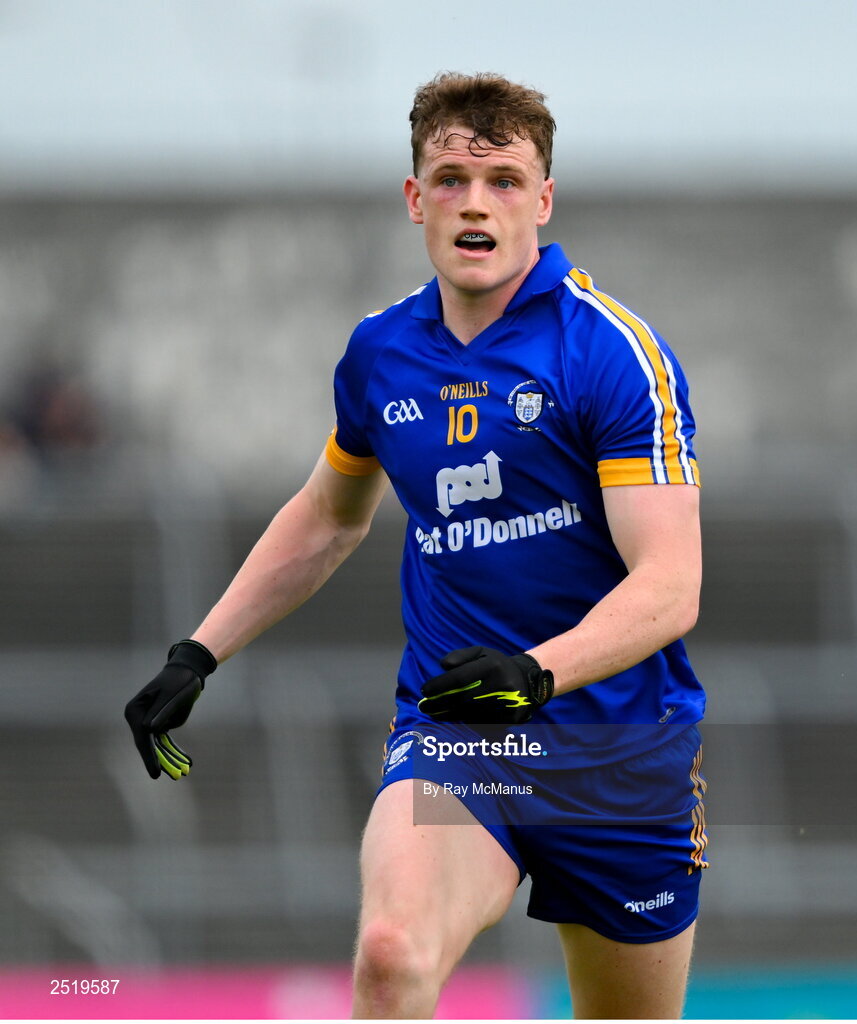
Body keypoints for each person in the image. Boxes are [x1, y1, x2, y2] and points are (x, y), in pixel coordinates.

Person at [124, 71, 708, 1019]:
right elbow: (328, 514)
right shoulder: (380, 352)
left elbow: (669, 584)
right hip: (464, 740)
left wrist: (535, 671)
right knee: (392, 955)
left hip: (616, 756)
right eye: (449, 179)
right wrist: (199, 652)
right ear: (415, 199)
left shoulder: (609, 351)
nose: (475, 202)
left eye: (504, 180)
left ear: (543, 200)